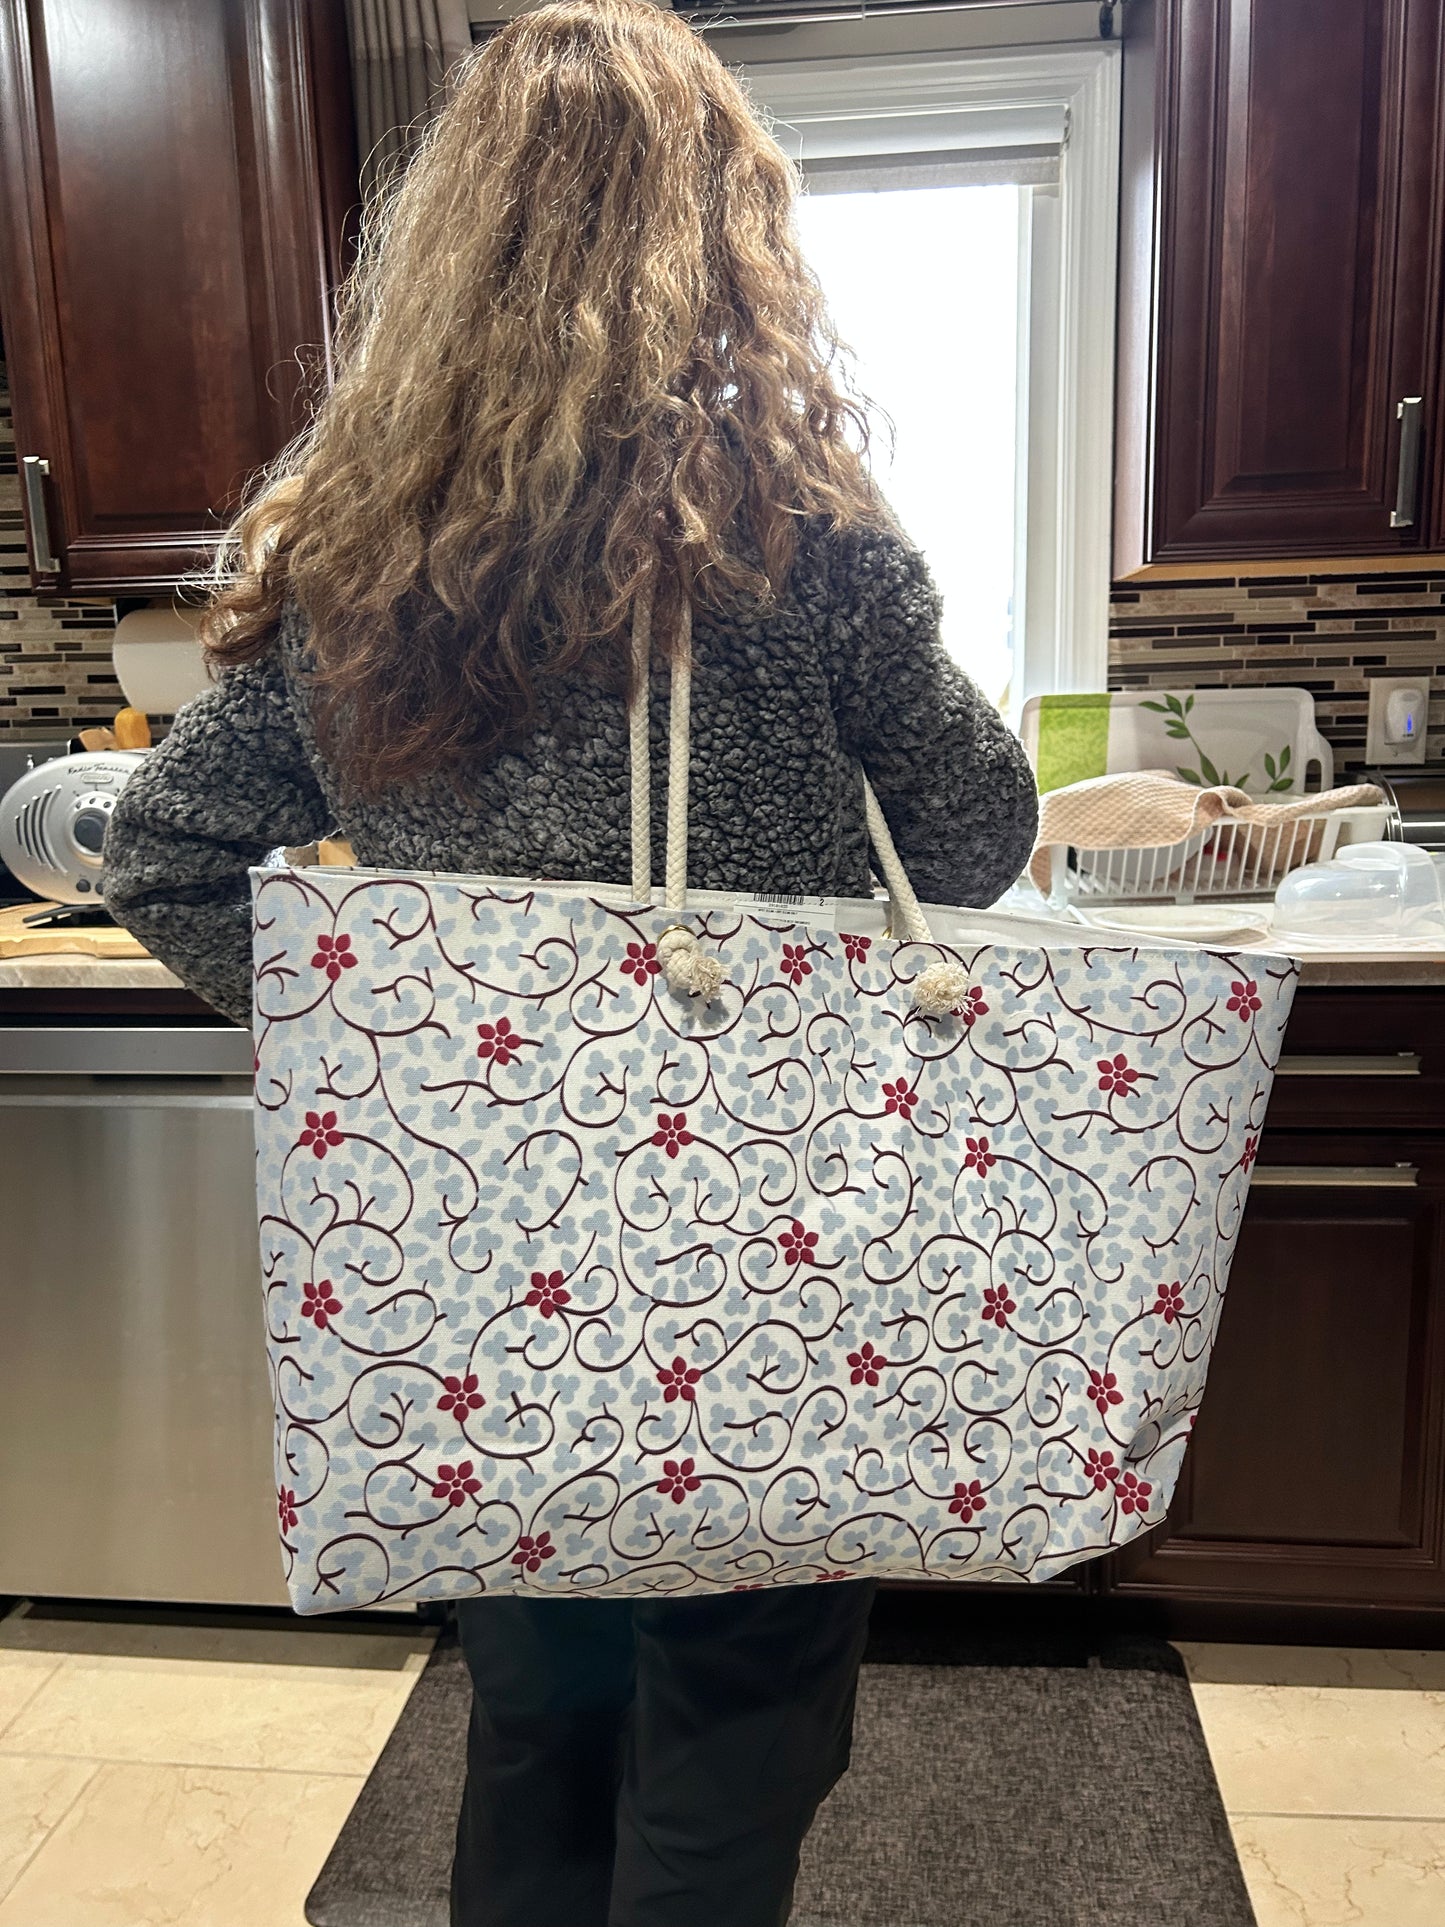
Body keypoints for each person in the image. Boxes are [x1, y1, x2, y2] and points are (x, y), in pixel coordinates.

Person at [103, 2, 1038, 1921]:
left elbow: (172, 853)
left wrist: (398, 1039)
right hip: (769, 1241)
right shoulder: (800, 535)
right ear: (724, 233)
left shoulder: (357, 546)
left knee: (536, 1716)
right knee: (737, 1725)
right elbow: (969, 838)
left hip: (477, 1243)